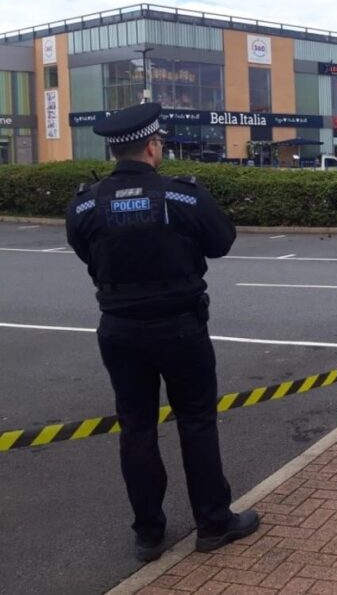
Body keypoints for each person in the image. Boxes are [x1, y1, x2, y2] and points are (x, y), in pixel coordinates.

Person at [65, 103, 259, 562]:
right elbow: (222, 243)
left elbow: (84, 251)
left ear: (115, 150)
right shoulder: (183, 196)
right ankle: (212, 524)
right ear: (153, 146)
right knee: (196, 421)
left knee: (136, 428)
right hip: (181, 328)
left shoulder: (86, 203)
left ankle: (148, 534)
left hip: (119, 331)